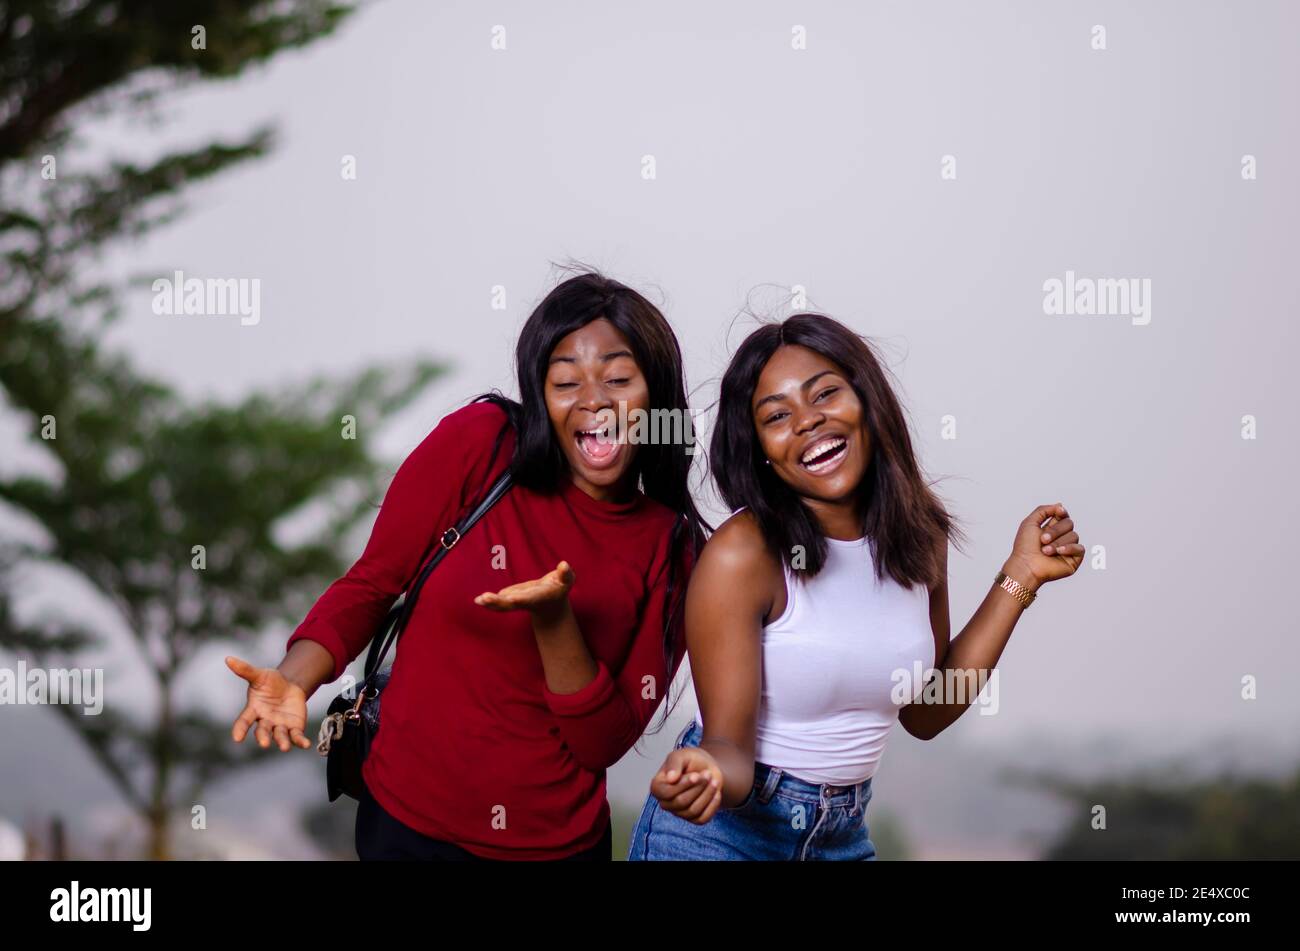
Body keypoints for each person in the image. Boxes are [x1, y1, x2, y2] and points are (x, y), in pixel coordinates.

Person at [227, 272, 705, 860]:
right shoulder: (479, 444)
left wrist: (554, 620)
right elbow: (374, 582)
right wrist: (294, 677)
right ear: (541, 394)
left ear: (654, 394)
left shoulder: (674, 552)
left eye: (617, 378)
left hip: (552, 849)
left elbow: (599, 744)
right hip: (403, 824)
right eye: (564, 381)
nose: (592, 400)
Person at [628, 313, 1083, 860]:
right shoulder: (744, 554)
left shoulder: (917, 533)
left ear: (867, 402)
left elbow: (927, 711)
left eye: (825, 394)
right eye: (777, 416)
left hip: (841, 836)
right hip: (723, 837)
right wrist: (705, 771)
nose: (808, 422)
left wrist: (1021, 576)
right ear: (762, 451)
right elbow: (730, 752)